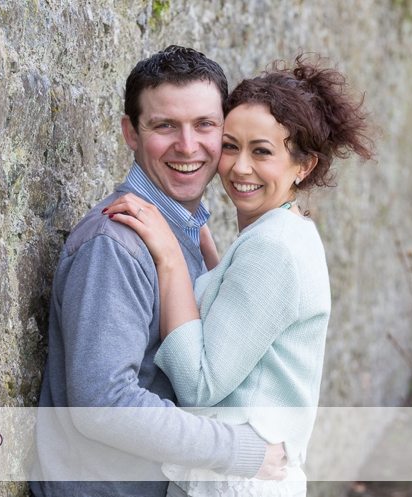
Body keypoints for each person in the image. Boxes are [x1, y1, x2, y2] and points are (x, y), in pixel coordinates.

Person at [104, 55, 373, 496]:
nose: (239, 167)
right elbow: (238, 316)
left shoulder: (274, 248)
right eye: (231, 145)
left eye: (262, 151)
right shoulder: (282, 232)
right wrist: (200, 241)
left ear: (303, 166)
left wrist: (171, 257)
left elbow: (200, 384)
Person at [30, 46, 286, 497]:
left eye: (204, 124)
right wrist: (241, 451)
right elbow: (104, 402)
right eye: (165, 125)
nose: (188, 146)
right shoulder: (116, 245)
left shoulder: (181, 235)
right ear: (131, 132)